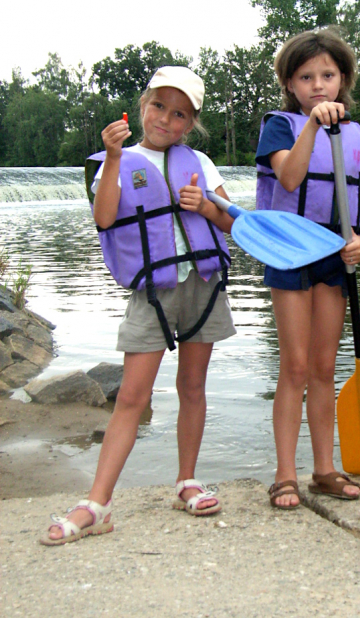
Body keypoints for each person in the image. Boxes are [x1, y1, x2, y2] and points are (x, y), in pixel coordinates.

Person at [41, 66, 237, 545]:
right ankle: (97, 503)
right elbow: (105, 217)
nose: (166, 120)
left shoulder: (201, 163)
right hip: (152, 291)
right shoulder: (114, 160)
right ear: (143, 104)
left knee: (193, 387)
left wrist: (207, 207)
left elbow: (233, 223)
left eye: (179, 114)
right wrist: (111, 157)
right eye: (158, 107)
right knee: (132, 397)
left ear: (190, 123)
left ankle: (186, 482)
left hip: (203, 284)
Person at [255, 28, 360, 509]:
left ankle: (324, 469)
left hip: (334, 256)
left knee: (324, 368)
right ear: (290, 83)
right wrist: (311, 124)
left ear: (343, 79)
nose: (318, 85)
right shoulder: (280, 126)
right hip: (291, 252)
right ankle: (284, 473)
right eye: (306, 76)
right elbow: (289, 176)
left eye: (327, 75)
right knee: (294, 366)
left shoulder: (355, 134)